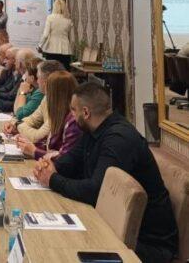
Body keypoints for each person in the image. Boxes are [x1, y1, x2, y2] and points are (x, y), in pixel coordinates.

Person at [34, 82, 178, 263]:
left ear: (86, 112)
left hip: (146, 244)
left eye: (73, 110)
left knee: (57, 250)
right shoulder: (92, 130)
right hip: (112, 223)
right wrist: (49, 166)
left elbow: (97, 191)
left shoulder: (119, 139)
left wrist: (53, 180)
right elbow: (71, 160)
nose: (71, 116)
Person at [16, 70, 82, 160]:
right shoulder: (60, 115)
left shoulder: (73, 121)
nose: (46, 98)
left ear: (56, 96)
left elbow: (65, 159)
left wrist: (34, 151)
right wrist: (28, 145)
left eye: (48, 94)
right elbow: (51, 147)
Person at [3, 60, 65, 142]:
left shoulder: (59, 104)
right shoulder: (47, 97)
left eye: (38, 78)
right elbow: (31, 119)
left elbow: (37, 136)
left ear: (46, 82)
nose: (37, 81)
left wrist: (17, 124)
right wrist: (14, 124)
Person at [38, 0, 73, 70]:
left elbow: (45, 35)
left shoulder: (50, 18)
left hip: (51, 49)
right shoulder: (68, 20)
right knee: (64, 72)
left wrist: (40, 45)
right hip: (65, 49)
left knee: (51, 72)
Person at [12, 57, 44, 121]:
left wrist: (22, 93)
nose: (24, 75)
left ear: (32, 78)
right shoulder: (31, 89)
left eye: (26, 72)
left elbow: (20, 115)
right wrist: (20, 90)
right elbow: (15, 111)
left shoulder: (40, 93)